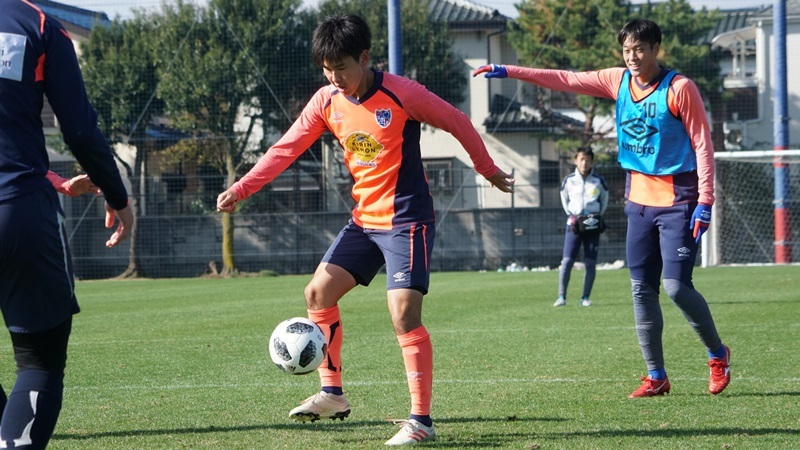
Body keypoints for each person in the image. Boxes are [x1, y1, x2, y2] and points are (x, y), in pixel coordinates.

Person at [217, 13, 513, 445]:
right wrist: (242, 188)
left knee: (403, 314)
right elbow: (285, 149)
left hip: (407, 220)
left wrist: (486, 168)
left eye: (341, 67)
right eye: (326, 69)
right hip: (364, 221)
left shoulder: (402, 93)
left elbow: (458, 121)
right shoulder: (326, 101)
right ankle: (332, 394)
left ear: (364, 58)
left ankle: (421, 422)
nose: (334, 77)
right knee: (317, 293)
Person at [474, 18, 730, 398]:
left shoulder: (680, 88)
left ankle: (717, 355)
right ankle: (656, 376)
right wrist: (510, 70)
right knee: (641, 290)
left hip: (679, 202)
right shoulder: (617, 80)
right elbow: (566, 79)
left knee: (676, 288)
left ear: (656, 48)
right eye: (626, 50)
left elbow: (703, 145)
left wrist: (705, 200)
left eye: (639, 49)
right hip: (638, 203)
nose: (632, 57)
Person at [0, 1, 133, 448]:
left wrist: (55, 180)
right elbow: (78, 130)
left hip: (22, 196)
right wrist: (117, 196)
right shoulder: (37, 25)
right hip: (18, 211)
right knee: (38, 362)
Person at [554, 148, 608, 307]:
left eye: (588, 159)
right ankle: (561, 297)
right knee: (567, 261)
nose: (584, 162)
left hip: (592, 225)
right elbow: (564, 199)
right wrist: (571, 216)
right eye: (582, 159)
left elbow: (604, 199)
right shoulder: (569, 180)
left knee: (590, 263)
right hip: (574, 225)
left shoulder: (599, 180)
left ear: (592, 161)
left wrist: (596, 217)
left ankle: (585, 298)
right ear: (575, 161)